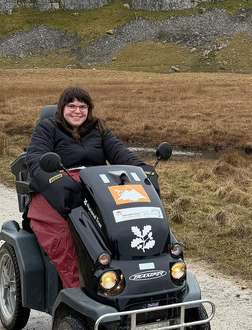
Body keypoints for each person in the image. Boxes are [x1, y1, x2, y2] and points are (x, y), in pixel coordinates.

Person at [24, 86, 155, 289]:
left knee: (131, 222)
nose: (77, 111)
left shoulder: (98, 129)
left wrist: (143, 170)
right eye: (72, 106)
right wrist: (54, 179)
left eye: (82, 107)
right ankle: (78, 290)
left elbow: (120, 153)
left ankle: (137, 281)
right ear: (62, 108)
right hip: (57, 190)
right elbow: (36, 159)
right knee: (68, 237)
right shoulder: (47, 128)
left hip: (96, 187)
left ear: (89, 109)